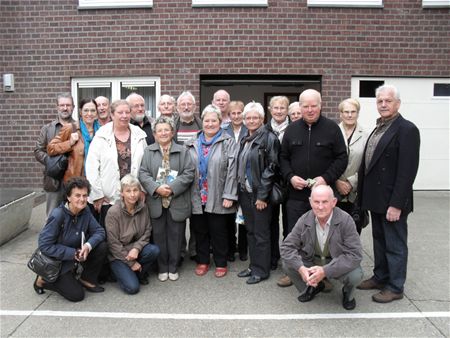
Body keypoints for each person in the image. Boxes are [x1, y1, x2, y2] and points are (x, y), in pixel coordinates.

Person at [278, 89, 348, 287]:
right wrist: (290, 177)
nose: (309, 110)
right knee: (293, 233)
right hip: (296, 195)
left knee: (324, 236)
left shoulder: (332, 128)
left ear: (321, 105)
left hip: (323, 197)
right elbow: (282, 158)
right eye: (305, 106)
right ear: (299, 107)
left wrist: (325, 178)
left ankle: (324, 274)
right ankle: (292, 271)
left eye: (313, 105)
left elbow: (342, 157)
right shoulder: (291, 130)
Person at [357, 85, 420, 303]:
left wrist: (397, 204)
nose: (383, 104)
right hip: (376, 199)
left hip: (392, 201)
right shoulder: (378, 128)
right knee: (379, 241)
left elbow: (407, 171)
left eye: (388, 101)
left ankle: (395, 286)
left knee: (395, 244)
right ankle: (381, 276)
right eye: (380, 101)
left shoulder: (406, 129)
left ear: (398, 104)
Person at [280, 185, 363, 310]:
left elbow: (355, 254)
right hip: (312, 259)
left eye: (325, 202)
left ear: (333, 202)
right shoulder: (305, 219)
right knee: (288, 264)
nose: (320, 206)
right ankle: (312, 286)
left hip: (336, 261)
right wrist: (301, 269)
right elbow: (287, 247)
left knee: (356, 275)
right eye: (316, 202)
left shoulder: (346, 220)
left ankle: (347, 293)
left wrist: (325, 271)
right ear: (310, 202)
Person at [139, 116, 195, 282]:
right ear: (155, 134)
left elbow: (189, 172)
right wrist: (156, 188)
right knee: (159, 235)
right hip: (156, 200)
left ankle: (173, 266)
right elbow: (143, 173)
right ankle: (162, 267)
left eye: (166, 130)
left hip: (176, 200)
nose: (163, 133)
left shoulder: (182, 150)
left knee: (176, 235)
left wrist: (172, 188)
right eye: (159, 130)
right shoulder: (149, 151)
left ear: (172, 132)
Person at [33, 177, 107, 302]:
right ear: (68, 197)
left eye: (85, 195)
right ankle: (43, 280)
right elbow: (44, 245)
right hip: (58, 261)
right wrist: (72, 253)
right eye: (77, 195)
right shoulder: (58, 215)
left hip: (76, 255)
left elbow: (99, 231)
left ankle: (86, 278)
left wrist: (88, 246)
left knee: (102, 246)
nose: (82, 199)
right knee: (77, 295)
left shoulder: (86, 211)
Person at [186, 104, 237, 278]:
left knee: (218, 231)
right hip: (197, 194)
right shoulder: (192, 142)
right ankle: (203, 261)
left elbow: (233, 170)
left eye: (213, 120)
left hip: (218, 193)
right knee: (200, 230)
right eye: (206, 120)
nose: (209, 124)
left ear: (220, 121)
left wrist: (229, 194)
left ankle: (221, 262)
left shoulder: (228, 141)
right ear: (202, 122)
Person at [236, 102, 280, 284]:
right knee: (251, 232)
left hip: (260, 195)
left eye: (255, 117)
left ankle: (262, 270)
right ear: (244, 120)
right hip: (245, 193)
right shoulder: (246, 138)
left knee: (261, 233)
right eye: (248, 117)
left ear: (262, 119)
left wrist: (262, 196)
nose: (251, 120)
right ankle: (254, 266)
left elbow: (272, 168)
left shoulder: (270, 138)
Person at [85, 99, 147, 226]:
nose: (124, 116)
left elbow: (146, 165)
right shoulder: (101, 136)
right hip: (108, 199)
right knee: (110, 236)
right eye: (120, 112)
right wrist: (97, 194)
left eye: (127, 112)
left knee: (133, 233)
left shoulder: (140, 135)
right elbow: (91, 167)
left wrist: (143, 190)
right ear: (112, 115)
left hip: (133, 196)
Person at [105, 174, 160, 294]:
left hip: (135, 250)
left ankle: (137, 274)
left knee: (154, 250)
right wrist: (131, 263)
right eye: (128, 191)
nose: (132, 194)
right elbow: (113, 244)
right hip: (118, 255)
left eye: (135, 190)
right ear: (122, 193)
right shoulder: (113, 212)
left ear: (140, 192)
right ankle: (121, 272)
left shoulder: (143, 207)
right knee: (133, 288)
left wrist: (137, 248)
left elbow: (147, 231)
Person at [34, 93, 76, 217]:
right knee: (53, 217)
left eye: (68, 105)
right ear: (57, 107)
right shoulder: (47, 129)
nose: (65, 108)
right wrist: (52, 162)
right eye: (62, 105)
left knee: (73, 216)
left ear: (73, 107)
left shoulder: (79, 127)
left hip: (74, 179)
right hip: (53, 180)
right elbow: (38, 150)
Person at [335, 98, 369, 235]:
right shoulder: (332, 133)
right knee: (334, 230)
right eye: (346, 112)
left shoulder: (366, 136)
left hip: (355, 192)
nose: (349, 115)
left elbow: (368, 163)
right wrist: (337, 181)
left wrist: (351, 182)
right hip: (334, 191)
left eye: (353, 112)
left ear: (358, 113)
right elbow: (325, 160)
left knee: (353, 230)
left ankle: (352, 256)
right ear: (340, 114)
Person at [47, 98, 100, 182]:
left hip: (97, 181)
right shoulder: (70, 128)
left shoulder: (102, 131)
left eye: (93, 110)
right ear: (80, 112)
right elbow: (51, 148)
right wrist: (69, 143)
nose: (89, 114)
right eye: (86, 110)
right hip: (76, 182)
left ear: (96, 112)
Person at [266, 96, 290, 271]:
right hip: (271, 183)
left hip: (290, 182)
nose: (279, 111)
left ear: (287, 109)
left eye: (282, 107)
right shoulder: (264, 130)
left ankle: (289, 261)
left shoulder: (296, 128)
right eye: (276, 107)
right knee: (271, 222)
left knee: (290, 224)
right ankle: (273, 257)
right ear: (270, 109)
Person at [223, 100, 248, 261]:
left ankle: (244, 249)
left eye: (240, 112)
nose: (237, 116)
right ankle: (231, 249)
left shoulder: (250, 129)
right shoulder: (223, 131)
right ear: (229, 115)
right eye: (234, 113)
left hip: (245, 179)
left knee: (244, 217)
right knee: (229, 217)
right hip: (229, 178)